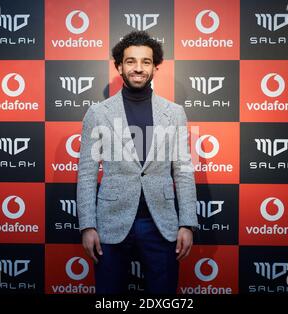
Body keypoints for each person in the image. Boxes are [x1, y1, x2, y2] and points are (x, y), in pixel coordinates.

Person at [76, 31, 197, 294]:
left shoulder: (174, 113)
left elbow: (184, 171)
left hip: (161, 224)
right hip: (110, 222)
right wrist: (87, 225)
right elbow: (86, 172)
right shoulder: (98, 113)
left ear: (155, 67)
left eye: (145, 62)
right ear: (119, 65)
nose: (138, 68)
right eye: (131, 61)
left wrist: (187, 223)